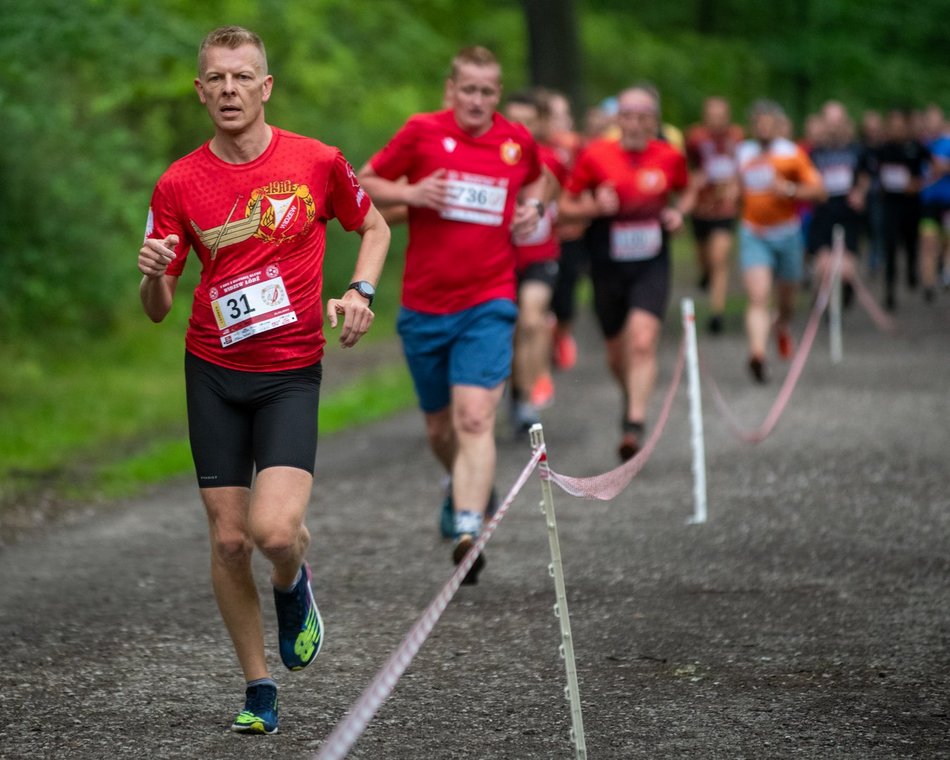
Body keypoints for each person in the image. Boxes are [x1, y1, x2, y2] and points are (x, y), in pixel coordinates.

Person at [137, 26, 390, 735]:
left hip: (287, 374)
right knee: (227, 541)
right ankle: (258, 687)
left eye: (242, 77)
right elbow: (157, 310)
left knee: (275, 533)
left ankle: (292, 581)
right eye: (215, 79)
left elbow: (373, 229)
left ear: (265, 86)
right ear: (199, 90)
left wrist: (361, 291)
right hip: (212, 369)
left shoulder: (315, 162)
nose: (228, 90)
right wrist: (153, 274)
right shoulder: (179, 183)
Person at [357, 46, 549, 583]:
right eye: (469, 89)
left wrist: (533, 207)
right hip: (423, 306)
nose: (478, 100)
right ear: (452, 89)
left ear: (498, 94)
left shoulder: (516, 141)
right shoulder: (421, 132)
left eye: (488, 91)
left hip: (489, 300)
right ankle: (467, 485)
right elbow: (363, 181)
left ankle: (469, 529)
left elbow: (541, 179)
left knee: (474, 417)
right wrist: (413, 191)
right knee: (441, 428)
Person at [559, 85, 694, 461]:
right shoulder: (594, 154)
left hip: (652, 261)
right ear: (618, 120)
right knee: (618, 353)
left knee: (643, 340)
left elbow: (687, 190)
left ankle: (634, 423)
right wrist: (593, 206)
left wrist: (678, 212)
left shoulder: (669, 157)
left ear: (655, 121)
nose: (635, 124)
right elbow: (565, 207)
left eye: (643, 117)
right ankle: (631, 394)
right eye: (628, 116)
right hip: (605, 262)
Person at [736, 100, 825, 383]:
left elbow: (819, 191)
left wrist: (787, 189)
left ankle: (782, 325)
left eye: (768, 122)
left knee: (786, 301)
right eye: (757, 122)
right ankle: (758, 354)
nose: (762, 128)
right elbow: (739, 189)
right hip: (754, 233)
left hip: (787, 234)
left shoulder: (792, 154)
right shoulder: (743, 153)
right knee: (758, 296)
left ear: (777, 125)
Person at [505, 89, 568, 433]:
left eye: (529, 123)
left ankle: (529, 398)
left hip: (541, 255)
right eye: (515, 123)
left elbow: (560, 198)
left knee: (531, 319)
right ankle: (517, 395)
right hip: (502, 258)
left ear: (541, 123)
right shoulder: (494, 156)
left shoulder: (552, 159)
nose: (522, 130)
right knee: (513, 330)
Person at [856, 109, 930, 310]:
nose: (897, 131)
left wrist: (920, 183)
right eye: (893, 127)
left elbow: (934, 166)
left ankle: (912, 270)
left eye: (900, 127)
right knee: (889, 245)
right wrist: (866, 189)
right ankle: (889, 290)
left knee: (910, 241)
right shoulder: (882, 149)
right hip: (889, 204)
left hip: (911, 204)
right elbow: (867, 170)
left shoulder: (915, 148)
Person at [685, 96, 744, 333]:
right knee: (705, 259)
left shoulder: (738, 137)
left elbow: (744, 165)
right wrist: (692, 179)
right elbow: (685, 167)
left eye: (721, 116)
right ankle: (705, 274)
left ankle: (716, 313)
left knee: (720, 258)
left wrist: (737, 186)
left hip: (725, 208)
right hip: (701, 207)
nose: (717, 121)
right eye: (712, 116)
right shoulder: (695, 138)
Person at [807, 101, 865, 297]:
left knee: (846, 269)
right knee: (824, 265)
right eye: (829, 121)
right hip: (823, 211)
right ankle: (824, 302)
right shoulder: (815, 152)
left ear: (844, 122)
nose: (833, 126)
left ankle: (845, 291)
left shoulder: (856, 150)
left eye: (837, 121)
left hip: (848, 212)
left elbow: (866, 175)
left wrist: (860, 192)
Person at [917, 106, 950, 300]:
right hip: (928, 204)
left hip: (947, 202)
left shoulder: (947, 143)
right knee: (928, 243)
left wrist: (942, 166)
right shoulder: (921, 145)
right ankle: (928, 285)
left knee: (946, 242)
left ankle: (945, 274)